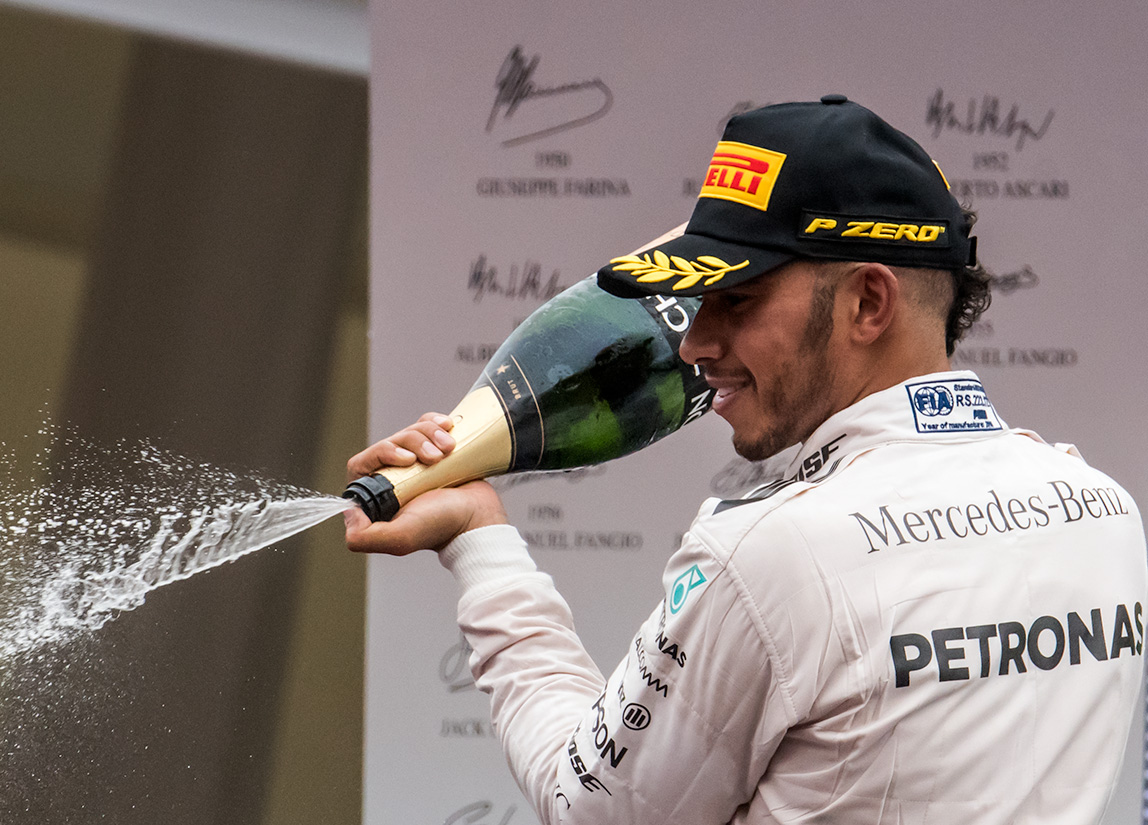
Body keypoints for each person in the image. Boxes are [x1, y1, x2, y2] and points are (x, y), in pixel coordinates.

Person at [345, 96, 1148, 824]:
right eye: (697, 304)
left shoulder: (774, 556)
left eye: (736, 299)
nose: (693, 344)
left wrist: (480, 541)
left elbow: (586, 809)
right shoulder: (1102, 512)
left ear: (869, 302)